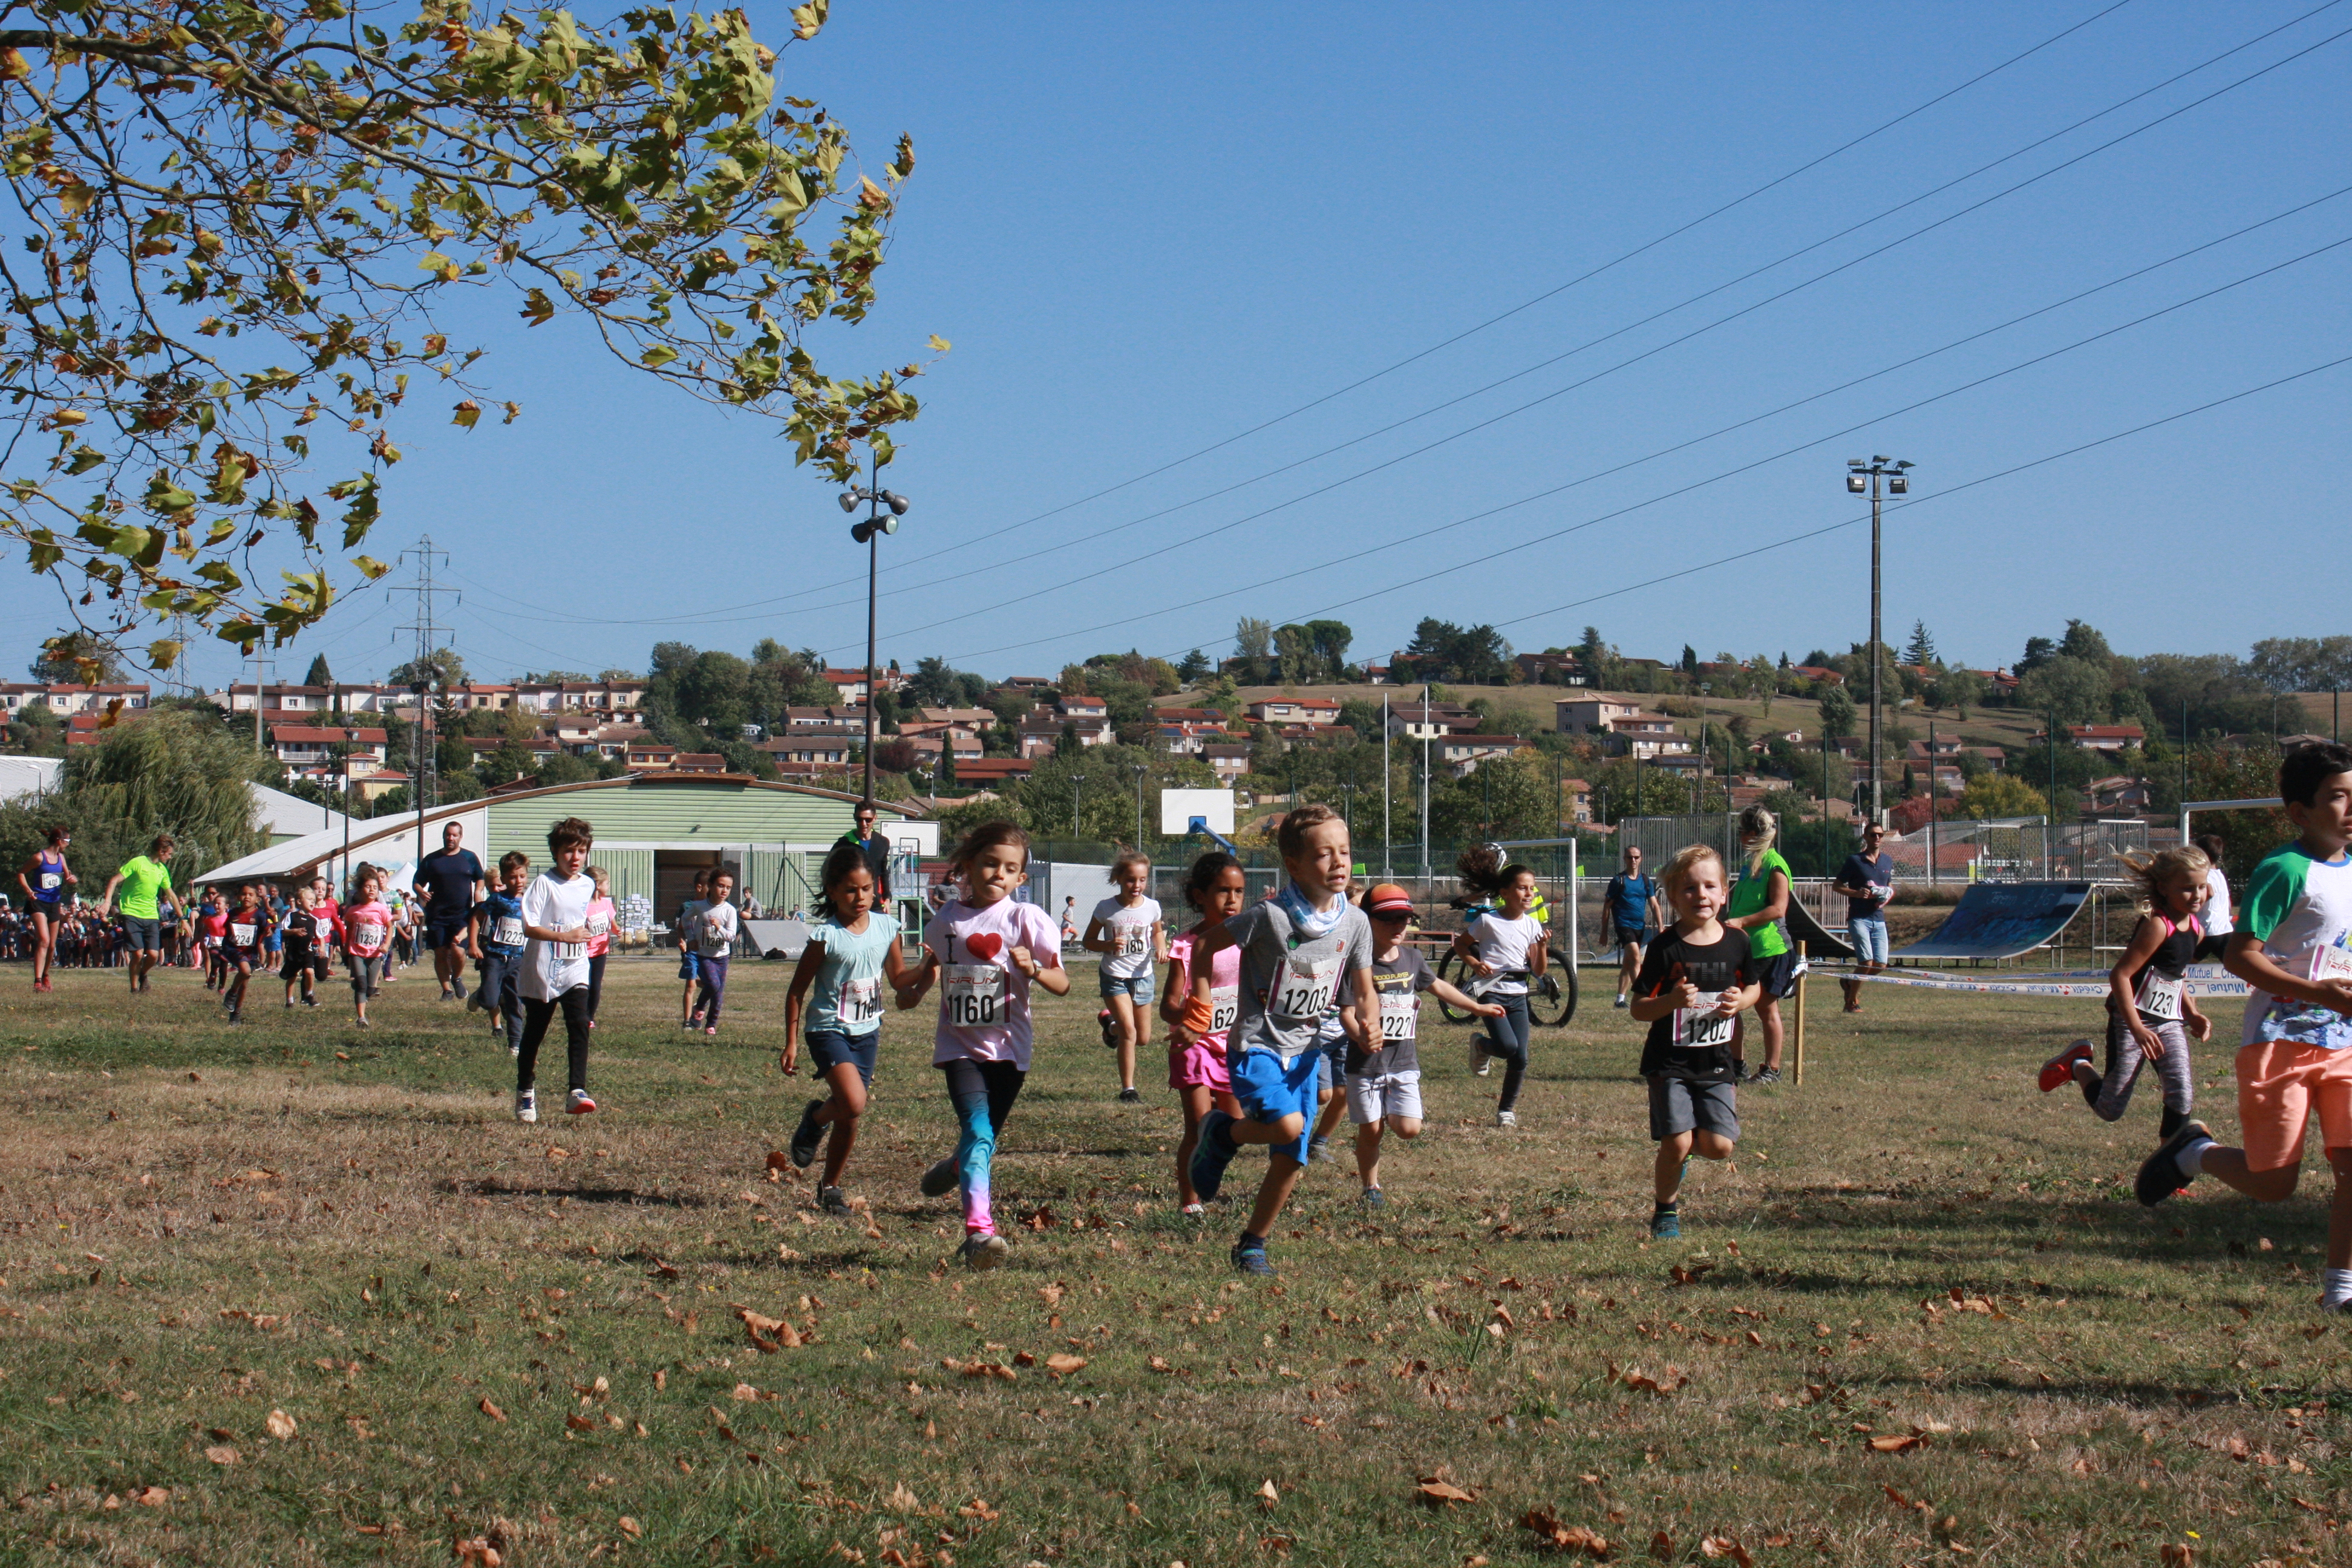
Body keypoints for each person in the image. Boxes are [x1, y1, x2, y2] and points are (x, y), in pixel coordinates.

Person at [2135, 742, 2352, 1316]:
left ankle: (2341, 1294)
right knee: (2274, 1184)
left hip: (2347, 1046)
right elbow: (2239, 956)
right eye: (2339, 797)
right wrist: (2319, 993)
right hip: (2281, 1041)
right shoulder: (2284, 870)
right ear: (2300, 812)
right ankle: (2194, 1152)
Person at [1185, 804, 1376, 1278]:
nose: (1339, 863)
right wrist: (1202, 1002)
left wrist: (1366, 1025)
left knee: (1293, 1157)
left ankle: (1253, 1244)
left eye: (1345, 853)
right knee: (1290, 1129)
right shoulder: (1269, 917)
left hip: (1307, 1053)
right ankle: (1222, 1133)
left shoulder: (1354, 923)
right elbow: (1205, 946)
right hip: (1258, 1045)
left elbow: (1363, 990)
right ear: (1294, 865)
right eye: (1324, 855)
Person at [896, 822, 1069, 1270]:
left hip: (1011, 1051)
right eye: (990, 864)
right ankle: (979, 1232)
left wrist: (1033, 970)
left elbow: (1062, 984)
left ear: (1020, 879)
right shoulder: (946, 921)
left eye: (1010, 869)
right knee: (978, 1132)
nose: (998, 874)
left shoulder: (1025, 920)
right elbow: (936, 962)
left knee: (982, 1142)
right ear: (968, 867)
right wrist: (915, 991)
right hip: (959, 1047)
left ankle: (956, 1169)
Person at [782, 841, 921, 1218]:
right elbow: (797, 991)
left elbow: (899, 979)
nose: (860, 898)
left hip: (868, 1031)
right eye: (850, 890)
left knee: (852, 1112)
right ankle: (814, 1120)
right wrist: (791, 1043)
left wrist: (929, 966)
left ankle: (830, 1188)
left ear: (876, 886)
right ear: (832, 891)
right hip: (828, 1028)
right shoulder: (826, 936)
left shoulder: (887, 926)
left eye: (866, 889)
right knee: (854, 1101)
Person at [1630, 844, 1760, 1241]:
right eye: (1689, 888)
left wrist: (1742, 1000)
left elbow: (1754, 988)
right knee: (1677, 1139)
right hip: (1669, 1062)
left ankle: (1678, 1160)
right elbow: (1639, 1008)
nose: (1700, 895)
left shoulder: (1737, 943)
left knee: (1721, 1146)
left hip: (1716, 1062)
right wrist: (1669, 1002)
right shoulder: (1666, 947)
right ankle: (1666, 1210)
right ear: (1672, 898)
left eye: (1709, 886)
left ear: (1724, 894)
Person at [2040, 846, 2211, 1137]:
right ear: (2164, 888)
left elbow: (2175, 976)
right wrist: (2136, 1028)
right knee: (2110, 1108)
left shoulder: (2196, 928)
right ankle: (2077, 1063)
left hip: (2168, 1022)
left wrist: (2192, 1012)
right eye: (2187, 889)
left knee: (2181, 1094)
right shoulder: (2158, 926)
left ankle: (2169, 1171)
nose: (2197, 895)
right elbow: (2121, 974)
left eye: (2202, 887)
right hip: (2132, 1020)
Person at [1351, 883, 1501, 1206]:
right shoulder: (1358, 964)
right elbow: (1348, 1012)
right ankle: (1371, 1188)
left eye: (1404, 919)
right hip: (1364, 1064)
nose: (1398, 926)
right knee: (1370, 1132)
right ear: (1367, 920)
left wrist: (1476, 1007)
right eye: (1388, 918)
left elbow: (1439, 987)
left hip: (1403, 1061)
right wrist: (1360, 1034)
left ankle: (1390, 1111)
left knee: (1408, 1129)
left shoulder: (1412, 958)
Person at [1160, 852, 1247, 1216]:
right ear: (1200, 895)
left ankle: (1207, 1170)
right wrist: (1195, 1013)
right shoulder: (1185, 946)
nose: (1232, 900)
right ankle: (1189, 1202)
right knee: (1196, 1126)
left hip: (1235, 1047)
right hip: (1194, 1046)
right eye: (1222, 891)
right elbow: (1167, 1006)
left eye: (1239, 892)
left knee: (1234, 1127)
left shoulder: (1248, 940)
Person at [1450, 844, 1548, 1126]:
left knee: (1520, 1057)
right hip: (1491, 992)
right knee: (1506, 1047)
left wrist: (1542, 947)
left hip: (1519, 996)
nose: (1528, 894)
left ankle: (1506, 1110)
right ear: (1505, 892)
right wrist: (1473, 963)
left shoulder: (1532, 926)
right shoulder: (1488, 920)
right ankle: (1481, 1044)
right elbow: (1461, 944)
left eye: (1531, 888)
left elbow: (1538, 970)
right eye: (1522, 888)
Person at [514, 817, 599, 1122]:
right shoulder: (543, 885)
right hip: (542, 970)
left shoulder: (588, 884)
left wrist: (587, 930)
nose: (575, 858)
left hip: (575, 966)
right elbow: (529, 928)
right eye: (568, 851)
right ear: (555, 852)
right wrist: (564, 936)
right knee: (535, 1032)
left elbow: (577, 917)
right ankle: (525, 1093)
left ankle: (577, 1091)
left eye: (581, 851)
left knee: (579, 1022)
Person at [1723, 805, 1797, 1084]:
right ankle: (1736, 1064)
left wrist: (1742, 922)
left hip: (1770, 949)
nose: (1740, 836)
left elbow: (1778, 909)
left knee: (1766, 1009)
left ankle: (1772, 1070)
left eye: (1742, 831)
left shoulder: (1775, 865)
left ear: (1753, 834)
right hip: (1742, 948)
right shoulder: (1749, 864)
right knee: (1731, 1005)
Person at [1085, 850, 1166, 1104]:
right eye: (1131, 880)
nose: (1137, 886)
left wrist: (1161, 947)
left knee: (1142, 1038)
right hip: (1114, 976)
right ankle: (1128, 1090)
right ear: (1119, 878)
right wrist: (1108, 944)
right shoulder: (1106, 908)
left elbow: (1157, 932)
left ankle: (1111, 1026)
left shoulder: (1152, 907)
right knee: (1129, 1033)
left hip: (1143, 975)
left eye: (1142, 880)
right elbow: (1088, 941)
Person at [98, 834, 180, 995]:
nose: (170, 857)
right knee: (137, 953)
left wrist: (182, 918)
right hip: (131, 913)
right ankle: (134, 989)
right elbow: (114, 881)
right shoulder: (138, 862)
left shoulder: (162, 870)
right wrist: (107, 902)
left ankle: (143, 973)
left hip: (151, 916)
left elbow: (171, 895)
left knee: (153, 955)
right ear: (161, 851)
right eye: (169, 853)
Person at [414, 820, 485, 1001]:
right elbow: (417, 882)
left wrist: (478, 892)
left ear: (461, 837)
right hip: (437, 914)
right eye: (448, 834)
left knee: (458, 950)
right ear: (444, 836)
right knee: (440, 952)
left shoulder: (469, 858)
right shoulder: (432, 860)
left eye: (454, 835)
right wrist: (421, 891)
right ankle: (447, 990)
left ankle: (457, 977)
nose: (450, 838)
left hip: (462, 914)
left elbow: (480, 878)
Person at [1831, 822, 1894, 1012]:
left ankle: (1850, 982)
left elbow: (1890, 887)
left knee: (1880, 965)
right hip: (1859, 918)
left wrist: (1886, 895)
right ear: (1865, 837)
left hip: (1878, 918)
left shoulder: (1887, 861)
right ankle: (1851, 1002)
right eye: (1873, 835)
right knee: (1866, 962)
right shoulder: (1855, 861)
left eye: (1881, 835)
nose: (1877, 839)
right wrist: (1857, 894)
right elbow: (1837, 886)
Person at [474, 853, 529, 1056]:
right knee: (490, 1001)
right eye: (513, 878)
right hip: (495, 957)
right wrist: (474, 944)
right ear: (504, 879)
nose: (518, 882)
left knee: (516, 1002)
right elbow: (476, 918)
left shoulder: (530, 901)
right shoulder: (497, 899)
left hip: (518, 960)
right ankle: (481, 994)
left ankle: (515, 1043)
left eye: (522, 876)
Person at [16, 825, 75, 992]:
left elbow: (67, 875)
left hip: (54, 903)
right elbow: (21, 873)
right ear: (59, 840)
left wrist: (71, 879)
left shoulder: (61, 858)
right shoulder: (39, 857)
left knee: (51, 945)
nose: (69, 844)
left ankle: (46, 974)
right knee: (44, 940)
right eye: (67, 841)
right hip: (38, 902)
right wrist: (28, 891)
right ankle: (37, 981)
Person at [1605, 845, 1662, 1009]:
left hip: (1639, 926)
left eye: (1636, 857)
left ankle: (1620, 1000)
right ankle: (1643, 997)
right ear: (1625, 859)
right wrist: (1604, 932)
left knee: (1628, 963)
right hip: (1623, 925)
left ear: (1641, 859)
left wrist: (1661, 928)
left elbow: (1654, 905)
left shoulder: (1645, 881)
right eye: (1630, 857)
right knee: (1636, 958)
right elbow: (1607, 907)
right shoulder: (1618, 881)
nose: (1633, 860)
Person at [693, 866, 741, 1037]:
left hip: (722, 957)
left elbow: (731, 936)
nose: (724, 891)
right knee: (713, 985)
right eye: (721, 886)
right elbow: (685, 919)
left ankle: (711, 1024)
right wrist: (690, 938)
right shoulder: (700, 907)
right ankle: (699, 1008)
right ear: (711, 885)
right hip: (705, 956)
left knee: (719, 993)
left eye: (728, 888)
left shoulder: (730, 910)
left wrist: (719, 928)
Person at [341, 871, 393, 1027]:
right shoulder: (353, 910)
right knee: (362, 984)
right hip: (357, 952)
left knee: (370, 989)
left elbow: (389, 927)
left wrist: (386, 944)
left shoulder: (381, 909)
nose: (372, 890)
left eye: (375, 888)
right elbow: (349, 929)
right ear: (360, 889)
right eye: (368, 887)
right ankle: (361, 1018)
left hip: (375, 953)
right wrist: (346, 947)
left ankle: (359, 986)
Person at [218, 883, 272, 1024]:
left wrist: (268, 931)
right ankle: (232, 993)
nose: (247, 897)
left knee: (245, 980)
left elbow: (268, 928)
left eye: (251, 894)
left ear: (257, 899)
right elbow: (228, 930)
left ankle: (236, 1013)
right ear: (238, 897)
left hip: (250, 952)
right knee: (245, 970)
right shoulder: (233, 913)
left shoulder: (260, 915)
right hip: (233, 948)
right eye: (244, 894)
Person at [278, 883, 327, 1008]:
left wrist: (322, 947)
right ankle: (289, 1001)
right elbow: (283, 930)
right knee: (292, 976)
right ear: (299, 901)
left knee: (309, 972)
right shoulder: (292, 916)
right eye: (310, 900)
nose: (313, 902)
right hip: (293, 951)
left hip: (308, 951)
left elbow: (320, 936)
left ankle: (309, 994)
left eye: (314, 901)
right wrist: (294, 931)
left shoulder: (314, 920)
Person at [835, 801, 892, 901]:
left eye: (868, 820)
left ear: (875, 818)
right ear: (854, 817)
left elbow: (883, 872)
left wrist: (887, 898)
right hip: (852, 901)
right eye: (859, 819)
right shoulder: (844, 843)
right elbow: (833, 873)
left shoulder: (882, 842)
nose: (863, 824)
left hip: (875, 901)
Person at [676, 867, 710, 1030]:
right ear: (700, 887)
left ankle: (699, 1007)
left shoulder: (712, 907)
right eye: (710, 886)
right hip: (691, 951)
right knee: (690, 986)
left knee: (712, 985)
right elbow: (680, 927)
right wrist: (682, 940)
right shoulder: (687, 906)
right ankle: (687, 1021)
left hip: (708, 952)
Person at [583, 866, 616, 1028]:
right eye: (607, 883)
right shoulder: (583, 906)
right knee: (584, 986)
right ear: (598, 885)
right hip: (584, 953)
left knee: (596, 986)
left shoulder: (606, 904)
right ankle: (581, 1013)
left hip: (601, 952)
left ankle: (590, 1016)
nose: (609, 887)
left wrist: (618, 930)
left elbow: (614, 925)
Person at [2195, 832, 2235, 962]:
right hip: (2225, 930)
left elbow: (2210, 892)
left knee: (2182, 965)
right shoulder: (2220, 875)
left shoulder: (2202, 875)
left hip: (2208, 930)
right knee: (2236, 968)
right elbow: (2229, 903)